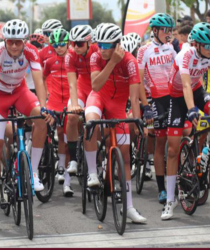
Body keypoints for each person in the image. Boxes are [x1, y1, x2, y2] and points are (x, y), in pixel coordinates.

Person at [0, 19, 55, 232]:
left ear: (24, 41)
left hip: (19, 92)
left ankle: (32, 173)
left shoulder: (31, 51)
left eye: (18, 42)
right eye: (11, 42)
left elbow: (38, 80)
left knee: (42, 119)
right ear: (5, 40)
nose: (14, 46)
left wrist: (43, 107)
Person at [87, 23, 147, 223]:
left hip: (118, 107)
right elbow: (95, 85)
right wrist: (112, 62)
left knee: (126, 158)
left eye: (107, 45)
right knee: (91, 123)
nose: (102, 49)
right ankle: (93, 174)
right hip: (98, 98)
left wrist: (138, 121)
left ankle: (129, 207)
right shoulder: (96, 56)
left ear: (117, 44)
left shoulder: (129, 61)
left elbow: (135, 95)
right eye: (100, 44)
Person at [164, 22, 210, 220]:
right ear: (197, 44)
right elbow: (184, 86)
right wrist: (191, 110)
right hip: (177, 96)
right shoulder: (185, 54)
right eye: (207, 46)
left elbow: (194, 86)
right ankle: (169, 201)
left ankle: (203, 155)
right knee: (173, 149)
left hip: (197, 90)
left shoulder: (207, 54)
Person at [137, 13, 177, 203]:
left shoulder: (172, 48)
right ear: (155, 30)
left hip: (173, 97)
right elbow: (138, 81)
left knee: (182, 132)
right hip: (156, 99)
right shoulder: (144, 51)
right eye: (165, 30)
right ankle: (161, 188)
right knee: (160, 143)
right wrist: (146, 106)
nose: (168, 34)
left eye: (170, 30)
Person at [65, 25, 98, 181]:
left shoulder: (98, 51)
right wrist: (73, 104)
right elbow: (72, 83)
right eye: (73, 43)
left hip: (97, 90)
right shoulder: (70, 55)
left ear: (89, 42)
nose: (75, 47)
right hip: (81, 89)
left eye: (79, 44)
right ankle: (73, 159)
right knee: (71, 116)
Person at [43, 28, 72, 196]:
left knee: (68, 140)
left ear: (68, 43)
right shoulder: (49, 61)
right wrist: (46, 93)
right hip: (54, 103)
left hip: (69, 103)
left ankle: (67, 182)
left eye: (62, 44)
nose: (59, 48)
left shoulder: (72, 60)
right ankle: (60, 166)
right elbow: (43, 77)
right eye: (56, 45)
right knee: (60, 135)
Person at [39, 19, 63, 95]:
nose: (45, 36)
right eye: (44, 33)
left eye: (48, 33)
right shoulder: (42, 52)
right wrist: (45, 92)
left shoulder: (68, 49)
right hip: (49, 92)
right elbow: (41, 77)